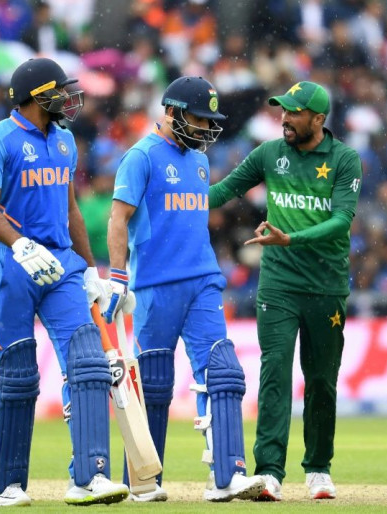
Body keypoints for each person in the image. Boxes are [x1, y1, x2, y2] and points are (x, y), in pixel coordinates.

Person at [0, 58, 128, 506]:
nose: (68, 98)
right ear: (36, 96)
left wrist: (91, 267)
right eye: (60, 91)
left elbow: (72, 210)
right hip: (12, 260)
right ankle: (9, 484)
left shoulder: (64, 140)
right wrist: (21, 246)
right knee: (19, 375)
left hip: (61, 264)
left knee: (89, 363)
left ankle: (89, 476)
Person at [102, 76, 265, 502]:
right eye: (199, 118)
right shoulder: (141, 157)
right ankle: (143, 481)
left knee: (223, 371)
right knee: (154, 385)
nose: (206, 128)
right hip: (155, 287)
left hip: (203, 281)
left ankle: (228, 474)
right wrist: (117, 276)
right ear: (172, 112)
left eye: (211, 120)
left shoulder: (198, 160)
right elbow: (118, 218)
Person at [209, 81, 363, 501]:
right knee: (274, 373)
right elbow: (224, 190)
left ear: (318, 119)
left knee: (321, 380)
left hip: (326, 285)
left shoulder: (345, 160)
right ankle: (270, 471)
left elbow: (341, 221)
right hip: (278, 284)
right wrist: (179, 204)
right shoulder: (269, 153)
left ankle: (318, 469)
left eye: (294, 112)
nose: (284, 118)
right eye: (282, 110)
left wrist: (291, 239)